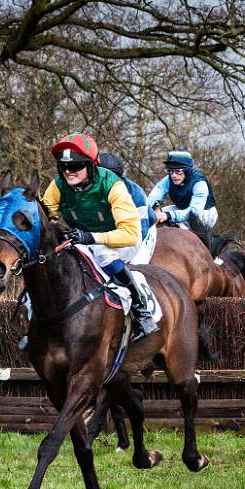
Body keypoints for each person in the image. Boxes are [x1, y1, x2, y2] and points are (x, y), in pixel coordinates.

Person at [40, 132, 157, 338]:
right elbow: (44, 213)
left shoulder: (113, 186)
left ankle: (141, 311)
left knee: (102, 253)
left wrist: (91, 237)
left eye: (75, 166)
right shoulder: (58, 184)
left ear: (91, 165)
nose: (68, 172)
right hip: (83, 237)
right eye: (63, 167)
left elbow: (130, 234)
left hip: (121, 240)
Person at [98, 152, 159, 265]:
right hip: (115, 230)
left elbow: (139, 233)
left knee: (135, 266)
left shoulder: (135, 195)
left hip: (142, 230)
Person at [148, 147, 218, 229]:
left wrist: (168, 215)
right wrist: (152, 209)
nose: (174, 175)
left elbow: (194, 213)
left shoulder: (199, 184)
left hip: (204, 213)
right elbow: (153, 198)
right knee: (155, 215)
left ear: (187, 171)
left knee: (180, 226)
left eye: (178, 171)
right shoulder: (168, 180)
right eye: (171, 170)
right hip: (182, 209)